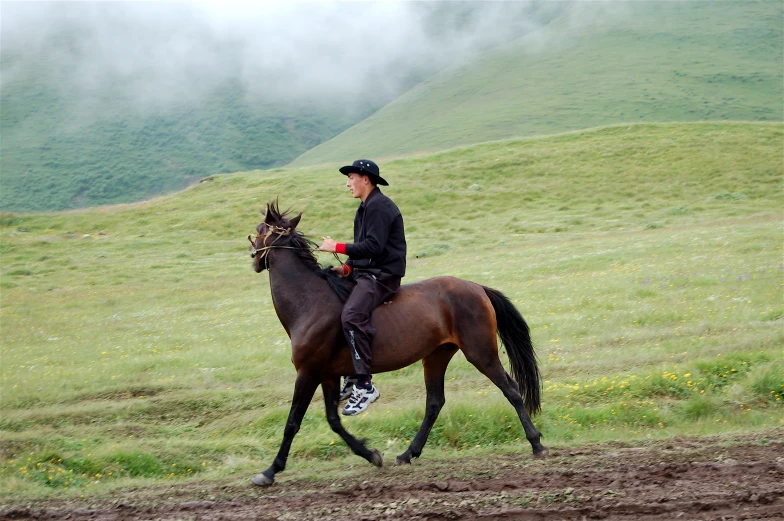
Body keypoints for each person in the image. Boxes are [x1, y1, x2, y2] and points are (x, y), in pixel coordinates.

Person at [319, 159, 407, 415]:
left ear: (365, 179)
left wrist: (337, 247)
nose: (348, 184)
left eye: (351, 178)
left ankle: (366, 385)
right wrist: (347, 268)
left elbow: (374, 247)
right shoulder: (365, 208)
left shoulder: (379, 207)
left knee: (352, 315)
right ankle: (349, 373)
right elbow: (362, 252)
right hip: (367, 272)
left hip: (383, 275)